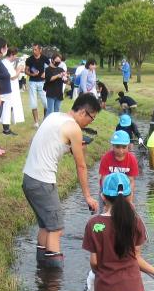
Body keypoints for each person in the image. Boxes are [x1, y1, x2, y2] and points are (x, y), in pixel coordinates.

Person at [21, 93, 101, 268]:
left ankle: (42, 273)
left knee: (46, 226)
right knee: (56, 229)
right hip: (43, 182)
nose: (90, 123)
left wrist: (74, 147)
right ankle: (53, 288)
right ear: (83, 112)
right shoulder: (74, 129)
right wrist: (87, 196)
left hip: (29, 179)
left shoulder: (54, 115)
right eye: (92, 119)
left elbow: (54, 143)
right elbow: (81, 166)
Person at [99, 130, 139, 205]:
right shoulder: (106, 158)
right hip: (108, 189)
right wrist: (106, 198)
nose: (121, 151)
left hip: (125, 190)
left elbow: (131, 181)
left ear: (128, 146)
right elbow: (104, 179)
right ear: (113, 146)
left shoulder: (132, 160)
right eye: (117, 147)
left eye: (124, 147)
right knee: (105, 210)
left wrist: (129, 199)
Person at [0, 46, 23, 136]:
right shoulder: (5, 63)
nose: (15, 57)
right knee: (7, 108)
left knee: (9, 108)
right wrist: (19, 70)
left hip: (9, 89)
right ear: (12, 55)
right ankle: (6, 129)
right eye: (15, 55)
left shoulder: (7, 63)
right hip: (7, 89)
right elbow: (12, 76)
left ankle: (7, 127)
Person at [25, 43, 48, 127]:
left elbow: (50, 67)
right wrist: (31, 74)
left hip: (42, 82)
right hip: (32, 82)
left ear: (40, 50)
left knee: (46, 102)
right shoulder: (29, 59)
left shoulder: (45, 58)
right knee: (33, 103)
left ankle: (45, 119)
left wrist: (45, 73)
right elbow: (26, 70)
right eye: (33, 49)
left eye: (35, 49)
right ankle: (36, 122)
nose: (34, 51)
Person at [44, 51, 67, 116]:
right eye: (57, 61)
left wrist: (65, 77)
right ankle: (47, 125)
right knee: (50, 111)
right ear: (52, 60)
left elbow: (65, 81)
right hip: (51, 93)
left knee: (57, 111)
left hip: (59, 93)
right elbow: (49, 79)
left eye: (59, 61)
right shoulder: (48, 69)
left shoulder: (61, 69)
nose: (58, 62)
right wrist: (57, 76)